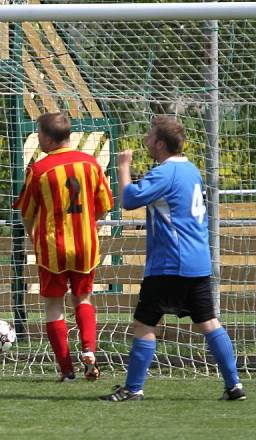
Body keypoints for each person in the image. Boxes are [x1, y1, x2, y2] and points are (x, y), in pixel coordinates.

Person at [100, 116, 246, 402]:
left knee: (144, 324)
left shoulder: (165, 173)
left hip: (170, 263)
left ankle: (133, 389)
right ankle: (234, 385)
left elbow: (129, 199)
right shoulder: (191, 170)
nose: (146, 139)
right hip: (197, 261)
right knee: (209, 323)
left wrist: (123, 166)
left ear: (161, 143)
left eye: (150, 135)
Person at [13, 112, 112, 382]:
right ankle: (89, 349)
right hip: (85, 246)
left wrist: (34, 235)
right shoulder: (91, 164)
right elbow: (103, 206)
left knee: (54, 307)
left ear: (46, 137)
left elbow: (27, 213)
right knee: (83, 298)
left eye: (38, 133)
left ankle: (67, 371)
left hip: (52, 248)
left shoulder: (40, 170)